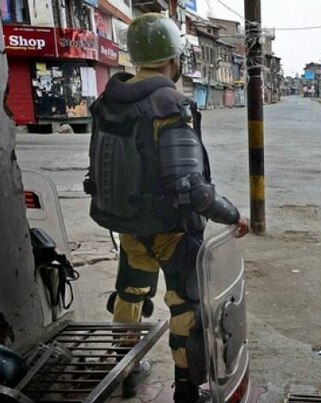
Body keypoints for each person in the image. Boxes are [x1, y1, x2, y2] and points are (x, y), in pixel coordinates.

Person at [84, 13, 249, 402]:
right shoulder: (169, 104)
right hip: (171, 230)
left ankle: (125, 368)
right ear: (174, 58)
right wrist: (232, 215)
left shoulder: (108, 99)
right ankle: (187, 391)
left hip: (126, 223)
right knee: (186, 307)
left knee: (130, 292)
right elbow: (191, 188)